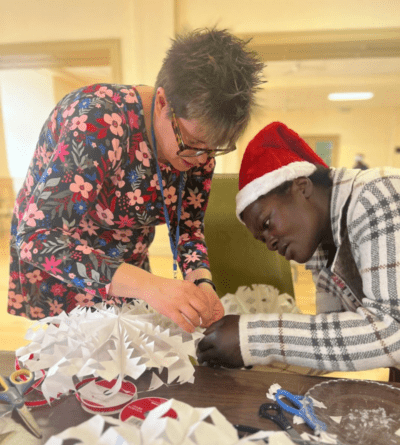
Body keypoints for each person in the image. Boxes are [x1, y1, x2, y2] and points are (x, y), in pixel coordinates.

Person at [8, 28, 264, 334]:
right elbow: (38, 237)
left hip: (129, 268)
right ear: (161, 102)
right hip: (66, 264)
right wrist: (150, 287)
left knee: (130, 354)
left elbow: (188, 227)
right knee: (78, 363)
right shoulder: (98, 122)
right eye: (193, 144)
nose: (201, 160)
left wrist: (201, 283)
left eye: (214, 149)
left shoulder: (198, 148)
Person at [197, 121, 400, 374]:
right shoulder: (323, 244)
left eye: (267, 223)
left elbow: (394, 332)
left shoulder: (376, 195)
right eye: (262, 239)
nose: (270, 243)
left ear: (301, 187)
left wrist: (253, 338)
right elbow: (332, 337)